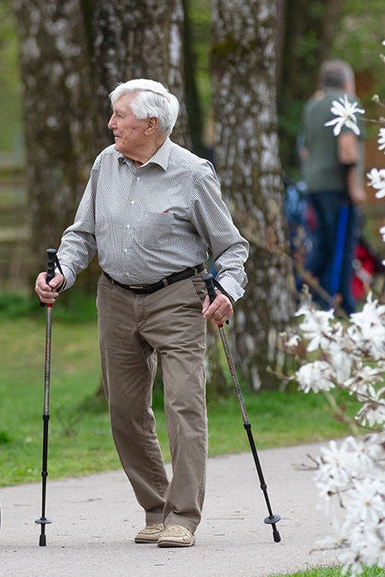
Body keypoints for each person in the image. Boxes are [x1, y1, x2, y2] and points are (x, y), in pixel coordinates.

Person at [34, 79, 249, 548]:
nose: (110, 124)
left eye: (120, 116)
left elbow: (231, 247)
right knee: (125, 410)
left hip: (178, 297)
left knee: (183, 405)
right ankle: (156, 508)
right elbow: (81, 234)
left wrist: (228, 290)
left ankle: (184, 517)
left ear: (151, 125)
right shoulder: (104, 165)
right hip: (115, 297)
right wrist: (62, 274)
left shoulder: (193, 174)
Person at [300, 59, 364, 314]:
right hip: (337, 188)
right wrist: (353, 189)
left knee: (323, 245)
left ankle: (304, 294)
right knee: (342, 247)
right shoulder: (347, 102)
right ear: (347, 82)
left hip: (313, 185)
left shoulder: (312, 106)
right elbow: (348, 149)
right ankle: (340, 304)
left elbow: (305, 150)